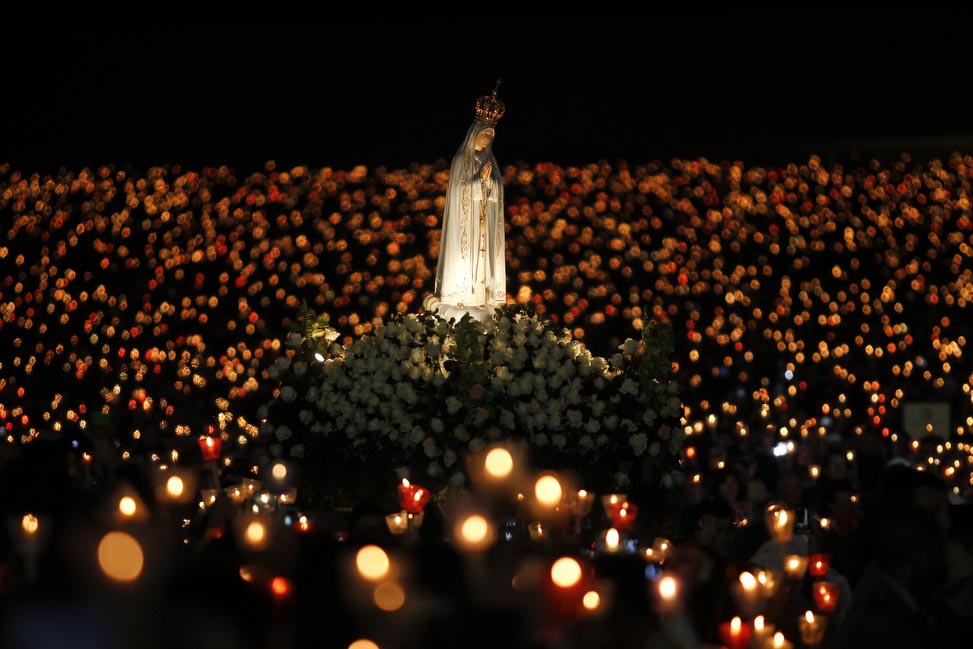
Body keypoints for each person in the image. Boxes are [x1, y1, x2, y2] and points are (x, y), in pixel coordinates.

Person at [425, 81, 507, 322]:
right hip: (467, 222)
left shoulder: (490, 161)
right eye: (485, 135)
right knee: (468, 256)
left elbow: (497, 191)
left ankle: (482, 295)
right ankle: (461, 293)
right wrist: (478, 182)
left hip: (483, 224)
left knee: (483, 260)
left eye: (491, 136)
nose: (487, 140)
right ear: (475, 134)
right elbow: (460, 191)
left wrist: (489, 183)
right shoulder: (463, 158)